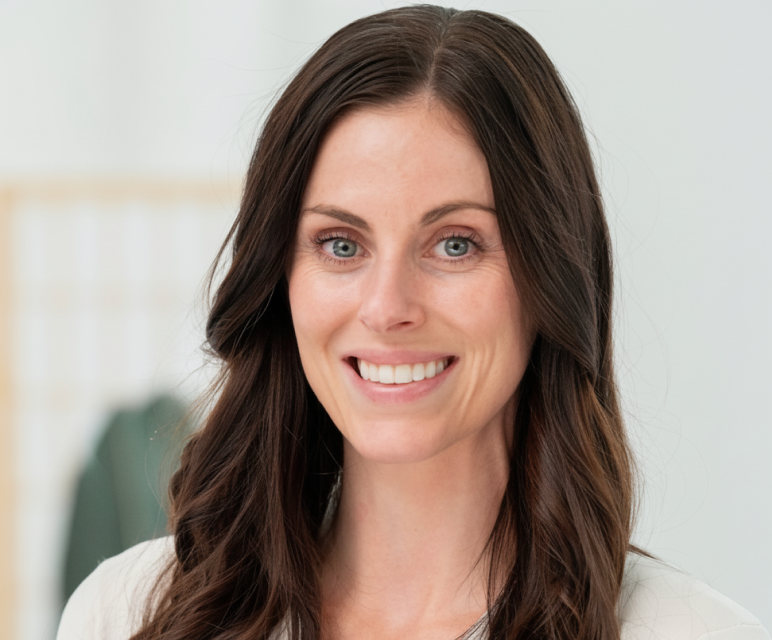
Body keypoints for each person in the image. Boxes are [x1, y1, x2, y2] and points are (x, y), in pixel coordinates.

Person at [56, 5, 769, 640]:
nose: (387, 306)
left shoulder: (691, 632)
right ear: (281, 279)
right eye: (342, 245)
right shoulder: (128, 615)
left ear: (549, 277)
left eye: (455, 244)